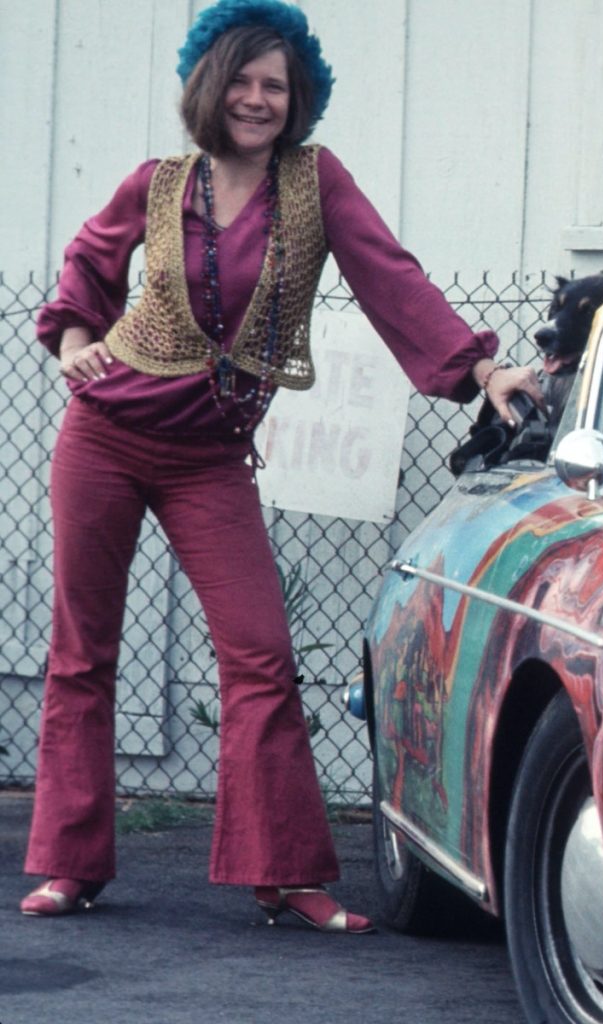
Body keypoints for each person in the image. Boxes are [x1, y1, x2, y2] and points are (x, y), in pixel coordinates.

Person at [21, 0, 542, 932]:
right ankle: (69, 864)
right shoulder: (158, 181)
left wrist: (480, 367)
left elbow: (391, 276)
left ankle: (285, 875)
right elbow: (84, 277)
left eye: (279, 85)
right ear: (211, 86)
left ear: (298, 98)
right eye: (246, 81)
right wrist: (72, 346)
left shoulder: (314, 182)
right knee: (81, 655)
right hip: (103, 436)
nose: (260, 99)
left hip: (209, 459)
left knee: (260, 655)